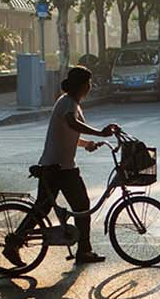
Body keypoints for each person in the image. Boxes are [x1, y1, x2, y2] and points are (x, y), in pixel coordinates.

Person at [8, 66, 118, 266]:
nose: (90, 87)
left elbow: (70, 133)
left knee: (51, 208)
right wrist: (100, 134)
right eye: (88, 83)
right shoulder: (67, 103)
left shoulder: (70, 102)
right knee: (78, 207)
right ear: (83, 85)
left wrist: (87, 144)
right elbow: (72, 123)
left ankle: (83, 250)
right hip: (58, 168)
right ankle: (82, 250)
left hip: (60, 166)